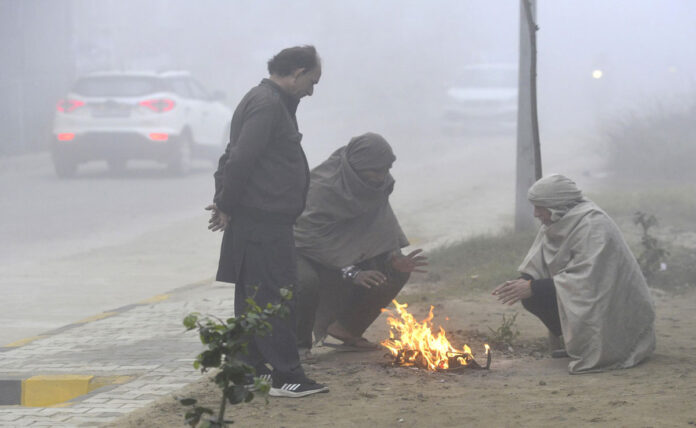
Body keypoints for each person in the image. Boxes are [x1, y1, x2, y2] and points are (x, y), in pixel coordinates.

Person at [206, 45, 328, 397]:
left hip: (259, 221)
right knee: (276, 298)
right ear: (296, 72)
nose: (311, 90)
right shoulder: (267, 103)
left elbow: (233, 155)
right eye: (312, 81)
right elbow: (240, 157)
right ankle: (288, 376)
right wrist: (226, 203)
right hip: (262, 223)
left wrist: (224, 200)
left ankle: (248, 371)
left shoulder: (268, 101)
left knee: (254, 299)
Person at [493, 174, 655, 374]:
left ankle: (602, 349)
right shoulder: (557, 221)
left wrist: (533, 287)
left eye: (539, 207)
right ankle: (579, 346)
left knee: (537, 291)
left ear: (555, 204)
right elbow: (537, 262)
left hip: (610, 303)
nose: (535, 214)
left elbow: (589, 280)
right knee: (534, 297)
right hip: (584, 292)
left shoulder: (593, 224)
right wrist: (523, 283)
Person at [293, 132, 427, 355]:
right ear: (355, 166)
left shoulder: (378, 183)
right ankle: (297, 343)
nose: (380, 177)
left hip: (343, 251)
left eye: (385, 170)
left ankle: (346, 329)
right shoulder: (321, 188)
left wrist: (392, 255)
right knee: (307, 283)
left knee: (393, 272)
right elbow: (308, 236)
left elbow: (379, 222)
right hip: (302, 249)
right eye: (374, 171)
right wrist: (351, 271)